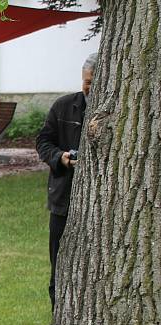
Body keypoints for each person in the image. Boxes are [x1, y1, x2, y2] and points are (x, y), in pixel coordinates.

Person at [36, 53, 97, 310]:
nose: (90, 88)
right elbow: (43, 142)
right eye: (87, 82)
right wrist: (60, 158)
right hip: (63, 199)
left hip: (100, 203)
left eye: (95, 82)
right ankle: (58, 317)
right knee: (59, 262)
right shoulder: (63, 106)